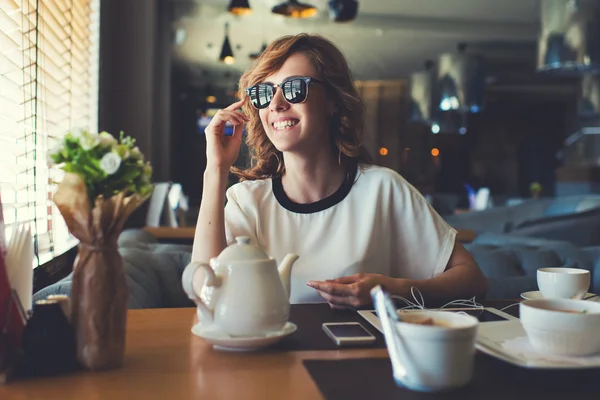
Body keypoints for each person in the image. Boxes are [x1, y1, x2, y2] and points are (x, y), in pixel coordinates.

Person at [191, 33, 488, 309]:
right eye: (264, 93)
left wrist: (391, 290)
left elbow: (472, 280)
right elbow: (205, 292)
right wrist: (215, 169)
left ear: (333, 101)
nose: (277, 103)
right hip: (274, 360)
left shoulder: (383, 189)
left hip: (368, 359)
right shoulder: (247, 202)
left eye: (295, 89)